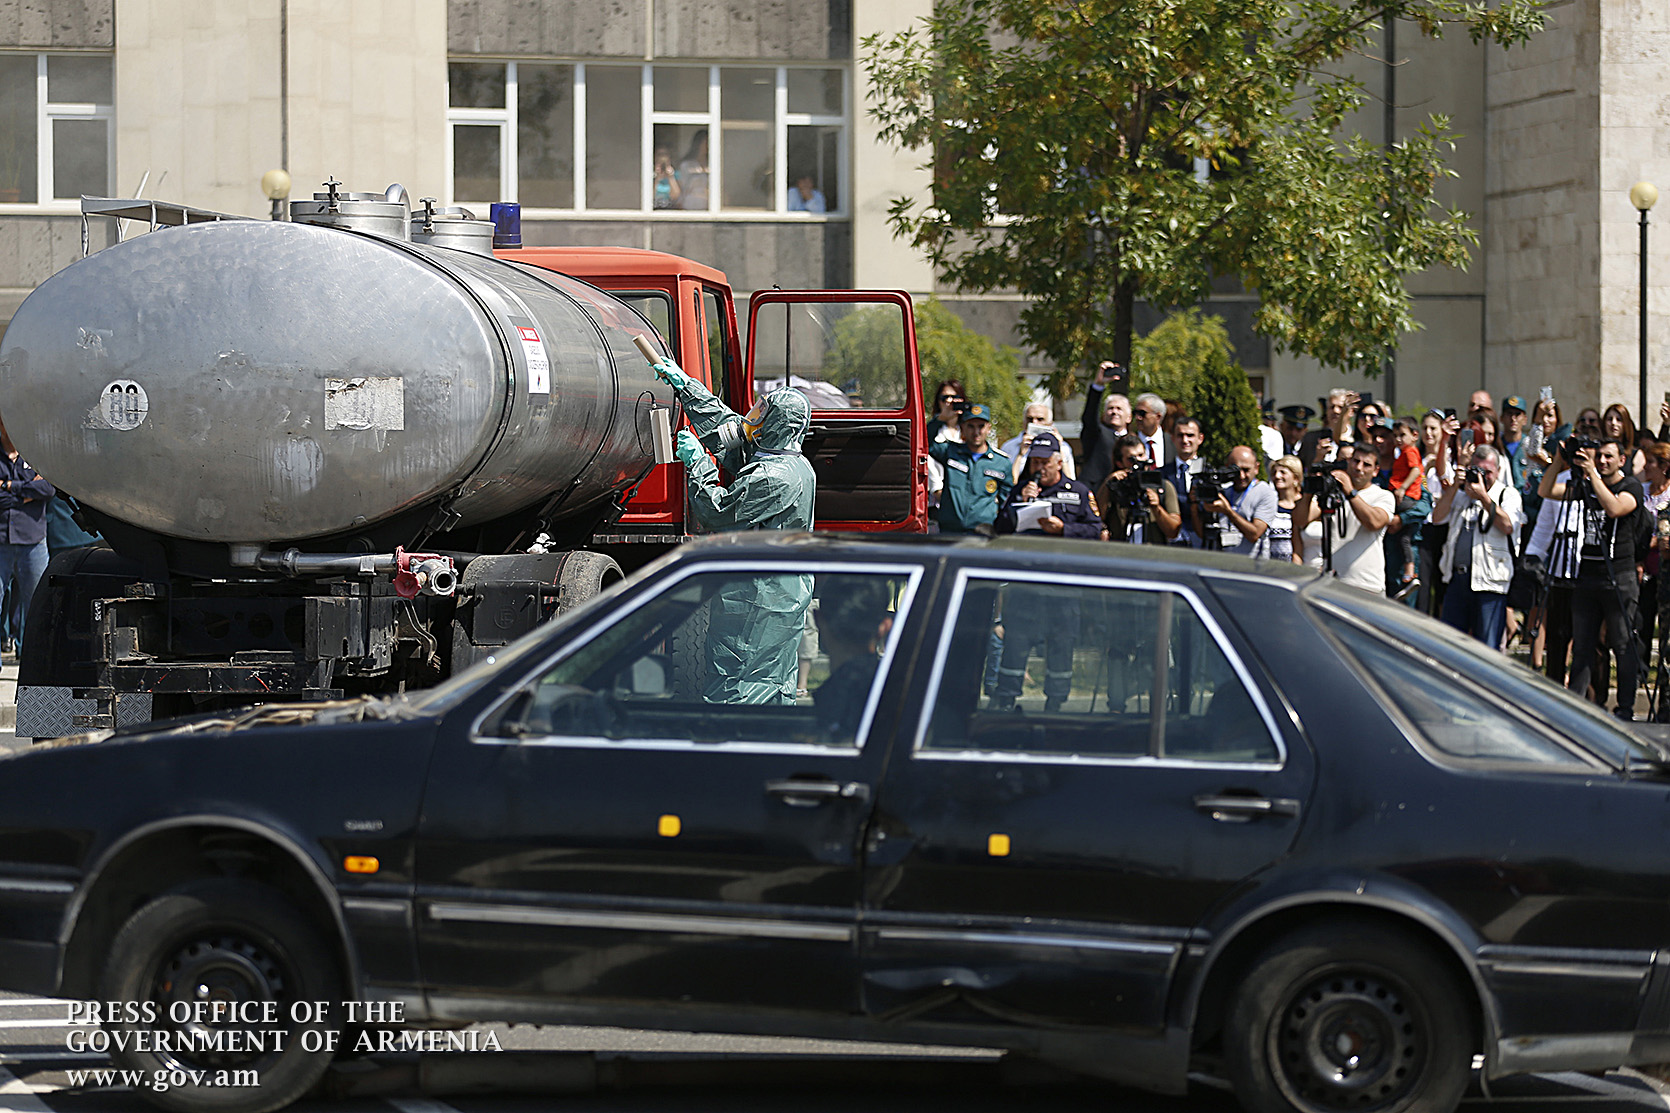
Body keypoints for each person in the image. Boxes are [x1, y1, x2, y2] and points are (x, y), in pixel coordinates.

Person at [653, 356, 816, 704]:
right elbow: (726, 429)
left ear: (775, 423)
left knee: (736, 687)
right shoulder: (789, 463)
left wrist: (698, 464)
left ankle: (728, 740)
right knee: (773, 688)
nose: (752, 415)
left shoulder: (772, 477)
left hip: (757, 599)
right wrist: (687, 387)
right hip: (781, 597)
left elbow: (717, 512)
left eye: (761, 411)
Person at [1539, 437, 1643, 718]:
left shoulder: (1630, 486)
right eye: (1600, 456)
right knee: (1583, 646)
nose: (1603, 461)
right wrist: (1558, 462)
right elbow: (1546, 490)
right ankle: (1577, 706)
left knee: (1622, 643)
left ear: (1622, 460)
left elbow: (1615, 508)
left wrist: (1593, 475)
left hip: (1619, 576)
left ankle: (1625, 708)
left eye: (1609, 456)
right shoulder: (1586, 486)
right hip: (1587, 576)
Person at [1432, 444, 1523, 647]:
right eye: (1478, 470)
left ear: (1498, 471)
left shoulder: (1507, 494)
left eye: (1487, 472)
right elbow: (1437, 518)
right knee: (1451, 647)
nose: (1483, 477)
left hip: (1490, 583)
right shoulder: (1460, 495)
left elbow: (1508, 526)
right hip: (1457, 580)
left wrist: (1484, 498)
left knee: (1487, 647)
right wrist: (1455, 486)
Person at [1294, 445, 1395, 592]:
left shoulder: (1383, 496)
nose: (1359, 468)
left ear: (1376, 470)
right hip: (1333, 583)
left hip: (1367, 584)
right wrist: (1309, 491)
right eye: (1355, 461)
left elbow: (1374, 522)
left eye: (1366, 465)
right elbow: (1300, 520)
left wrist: (1350, 493)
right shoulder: (1333, 493)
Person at [0, 415, 56, 657]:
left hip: (32, 542)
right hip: (1, 541)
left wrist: (8, 486)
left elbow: (48, 488)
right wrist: (26, 493)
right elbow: (37, 490)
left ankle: (30, 659)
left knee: (36, 605)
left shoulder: (34, 454)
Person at [997, 432, 1102, 540]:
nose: (1039, 468)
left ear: (1059, 464)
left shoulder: (1078, 491)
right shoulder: (1019, 490)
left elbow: (1095, 529)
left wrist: (1063, 528)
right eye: (1035, 462)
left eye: (1045, 463)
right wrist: (1021, 504)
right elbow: (1000, 527)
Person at [929, 402, 1012, 534]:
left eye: (981, 426)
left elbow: (1006, 503)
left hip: (983, 533)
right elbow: (924, 443)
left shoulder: (1001, 463)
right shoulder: (950, 451)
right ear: (962, 427)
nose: (976, 432)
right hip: (949, 531)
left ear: (989, 428)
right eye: (971, 426)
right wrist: (940, 419)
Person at [1097, 434, 1181, 545]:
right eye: (1131, 459)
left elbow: (1173, 531)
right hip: (1122, 551)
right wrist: (1108, 483)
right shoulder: (1115, 487)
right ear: (1120, 463)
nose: (1138, 462)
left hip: (1154, 551)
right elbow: (1097, 517)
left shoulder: (1163, 486)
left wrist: (1156, 507)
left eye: (1141, 455)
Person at [1193, 446, 1276, 556]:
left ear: (1256, 468)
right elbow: (1201, 533)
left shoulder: (1264, 492)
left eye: (1246, 470)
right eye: (1236, 471)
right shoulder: (1223, 491)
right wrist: (1194, 503)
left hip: (1251, 564)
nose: (1241, 476)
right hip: (1223, 561)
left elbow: (1254, 534)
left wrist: (1228, 511)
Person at [1079, 361, 1130, 493]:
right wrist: (1098, 386)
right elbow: (1089, 417)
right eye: (1110, 408)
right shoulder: (1097, 434)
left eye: (1119, 409)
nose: (1114, 412)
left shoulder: (1134, 440)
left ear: (1129, 417)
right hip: (1096, 491)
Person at [1387, 420, 1425, 593]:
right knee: (1404, 538)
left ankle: (1409, 569)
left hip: (1407, 498)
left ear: (1415, 435)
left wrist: (1402, 488)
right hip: (1407, 497)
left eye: (1402, 435)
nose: (1398, 439)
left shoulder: (1410, 451)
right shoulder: (1403, 453)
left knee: (1403, 536)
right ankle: (1409, 570)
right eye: (1395, 436)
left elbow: (1416, 470)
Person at [1001, 401, 1076, 480]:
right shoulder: (1010, 446)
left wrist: (1058, 447)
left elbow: (1070, 480)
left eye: (1040, 419)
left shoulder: (1063, 447)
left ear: (1050, 424)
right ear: (1023, 422)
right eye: (1030, 419)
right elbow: (1006, 480)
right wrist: (1020, 455)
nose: (1034, 423)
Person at [1166, 416, 1206, 546]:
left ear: (1200, 438)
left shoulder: (1208, 474)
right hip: (1170, 540)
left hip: (1200, 538)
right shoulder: (1162, 474)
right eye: (1180, 435)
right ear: (1173, 438)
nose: (1185, 440)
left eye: (1190, 435)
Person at [676, 129, 710, 210]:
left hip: (708, 208)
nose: (707, 146)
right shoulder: (686, 165)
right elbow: (681, 188)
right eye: (705, 143)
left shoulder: (713, 165)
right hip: (689, 206)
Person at [1132, 392, 1168, 468]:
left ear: (1158, 416)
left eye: (1142, 413)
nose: (1138, 417)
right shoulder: (1129, 442)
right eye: (1135, 413)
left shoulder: (1173, 442)